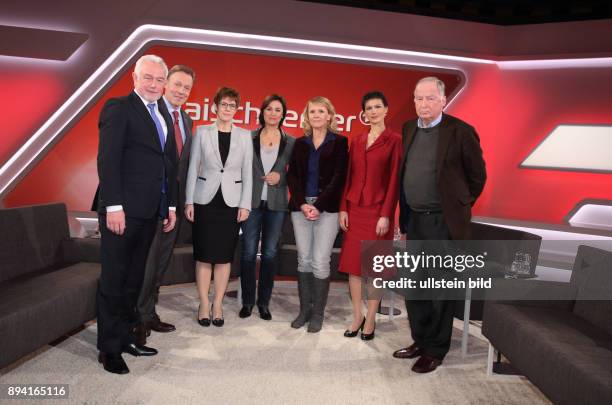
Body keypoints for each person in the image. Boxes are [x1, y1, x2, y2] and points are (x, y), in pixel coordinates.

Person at [393, 77, 486, 373]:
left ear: (443, 100)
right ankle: (420, 340)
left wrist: (457, 205)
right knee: (416, 286)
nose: (424, 104)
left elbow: (477, 177)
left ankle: (436, 349)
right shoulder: (408, 129)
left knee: (440, 288)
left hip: (444, 225)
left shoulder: (461, 132)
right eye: (419, 98)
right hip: (415, 222)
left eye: (430, 98)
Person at [95, 54, 178, 374]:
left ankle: (127, 336)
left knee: (134, 280)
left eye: (160, 80)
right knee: (114, 280)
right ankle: (109, 349)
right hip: (122, 212)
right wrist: (114, 206)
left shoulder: (165, 115)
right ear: (135, 77)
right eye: (149, 78)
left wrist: (169, 205)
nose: (155, 85)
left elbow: (168, 165)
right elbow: (108, 160)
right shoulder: (118, 108)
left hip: (150, 211)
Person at [134, 65, 195, 344]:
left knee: (159, 264)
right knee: (144, 264)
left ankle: (148, 313)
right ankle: (135, 317)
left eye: (187, 88)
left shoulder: (186, 120)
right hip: (148, 203)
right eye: (177, 85)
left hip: (173, 205)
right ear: (165, 84)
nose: (181, 91)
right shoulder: (149, 112)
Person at [185, 87, 252, 328]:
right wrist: (189, 200)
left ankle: (218, 304)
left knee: (224, 258)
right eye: (224, 104)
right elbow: (193, 167)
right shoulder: (202, 132)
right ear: (215, 106)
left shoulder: (245, 136)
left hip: (231, 204)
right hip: (205, 200)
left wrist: (245, 204)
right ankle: (204, 303)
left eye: (232, 105)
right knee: (204, 256)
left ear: (237, 109)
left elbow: (247, 173)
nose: (227, 109)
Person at [338, 91, 402, 341]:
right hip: (355, 209)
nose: (373, 111)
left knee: (374, 269)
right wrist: (343, 207)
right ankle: (357, 315)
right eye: (369, 108)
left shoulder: (394, 140)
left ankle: (371, 318)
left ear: (386, 109)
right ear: (363, 113)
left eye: (378, 107)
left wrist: (386, 214)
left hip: (378, 212)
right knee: (354, 268)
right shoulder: (357, 140)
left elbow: (395, 180)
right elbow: (349, 177)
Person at [287, 96, 348, 333]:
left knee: (321, 261)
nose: (316, 115)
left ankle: (318, 314)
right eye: (312, 111)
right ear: (307, 116)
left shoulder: (340, 142)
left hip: (328, 209)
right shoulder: (300, 143)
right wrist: (302, 204)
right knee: (304, 259)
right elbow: (292, 176)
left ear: (330, 115)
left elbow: (338, 178)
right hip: (301, 208)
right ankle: (304, 311)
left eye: (321, 111)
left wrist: (319, 205)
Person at [239, 95, 295, 320]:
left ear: (283, 114)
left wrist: (281, 176)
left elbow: (296, 173)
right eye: (269, 109)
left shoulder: (291, 141)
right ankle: (248, 302)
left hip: (277, 204)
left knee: (270, 253)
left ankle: (264, 303)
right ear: (262, 112)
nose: (273, 113)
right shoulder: (247, 137)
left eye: (277, 110)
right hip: (251, 203)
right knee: (249, 252)